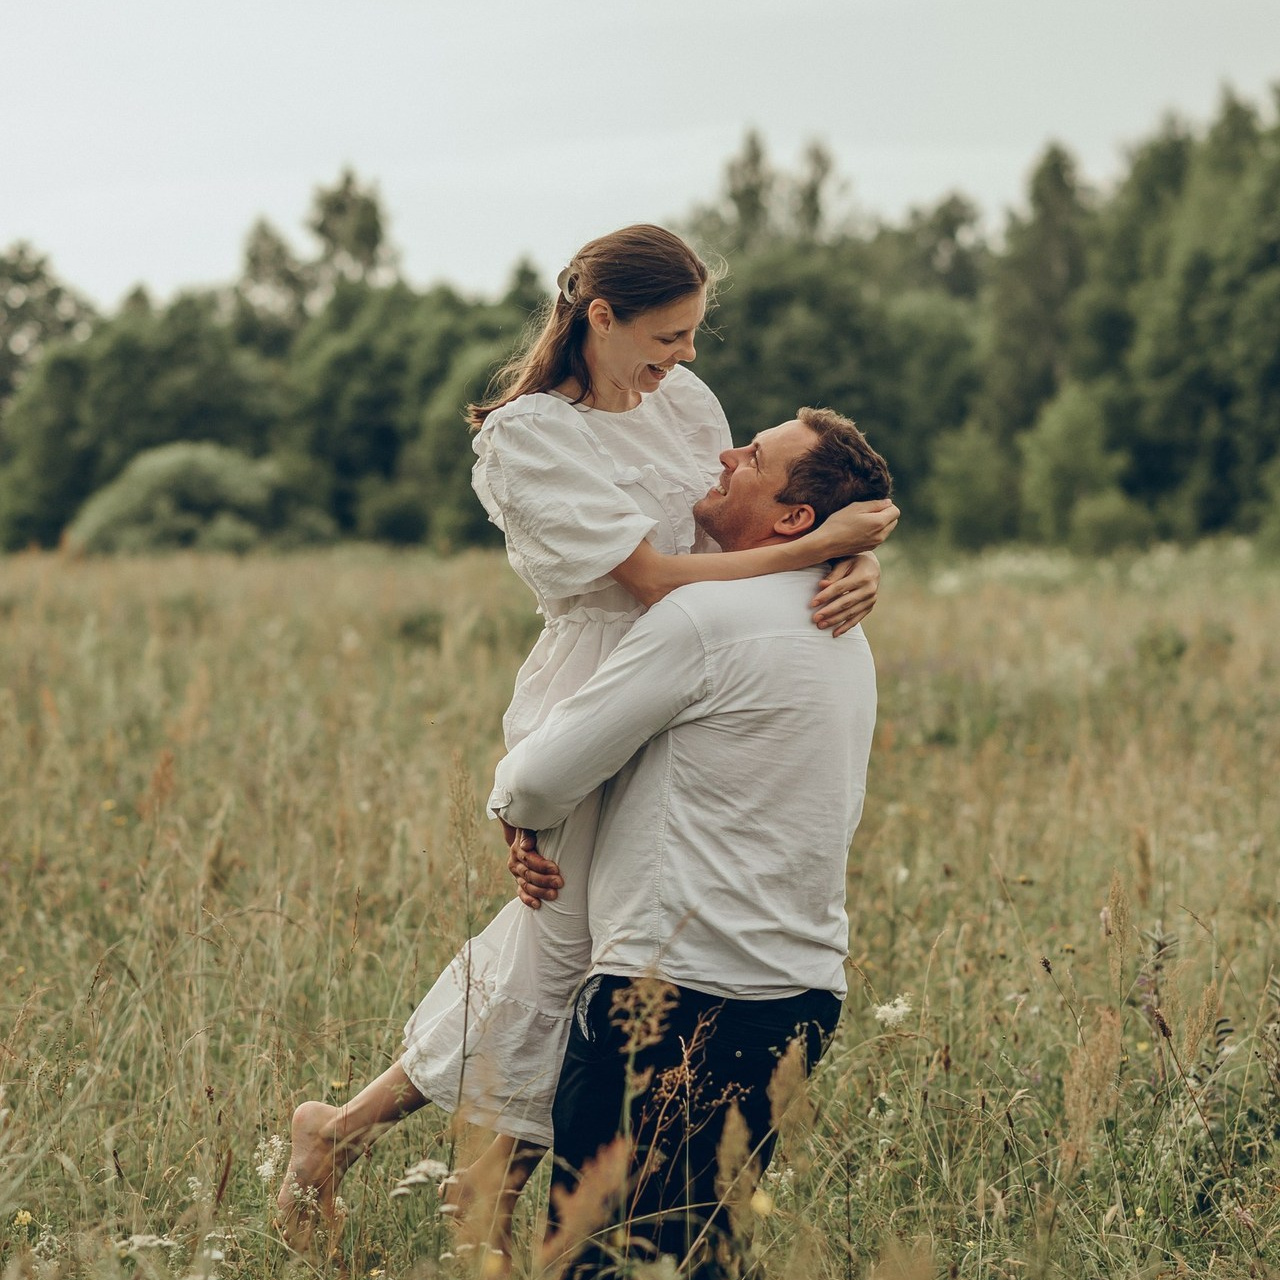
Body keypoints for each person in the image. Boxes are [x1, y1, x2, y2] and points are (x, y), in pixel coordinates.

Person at [277, 226, 899, 1260]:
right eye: (669, 334)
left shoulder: (686, 404)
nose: (688, 358)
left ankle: (363, 1141)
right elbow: (650, 577)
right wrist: (813, 550)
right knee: (563, 953)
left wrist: (844, 561)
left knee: (570, 958)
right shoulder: (529, 435)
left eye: (695, 333)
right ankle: (423, 1173)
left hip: (694, 680)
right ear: (598, 318)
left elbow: (752, 519)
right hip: (602, 679)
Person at [494, 407, 892, 1278]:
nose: (727, 453)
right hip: (800, 996)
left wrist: (513, 812)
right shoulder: (846, 629)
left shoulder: (705, 620)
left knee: (594, 1260)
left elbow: (540, 777)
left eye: (754, 456)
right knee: (699, 1255)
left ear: (793, 520)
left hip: (668, 993)